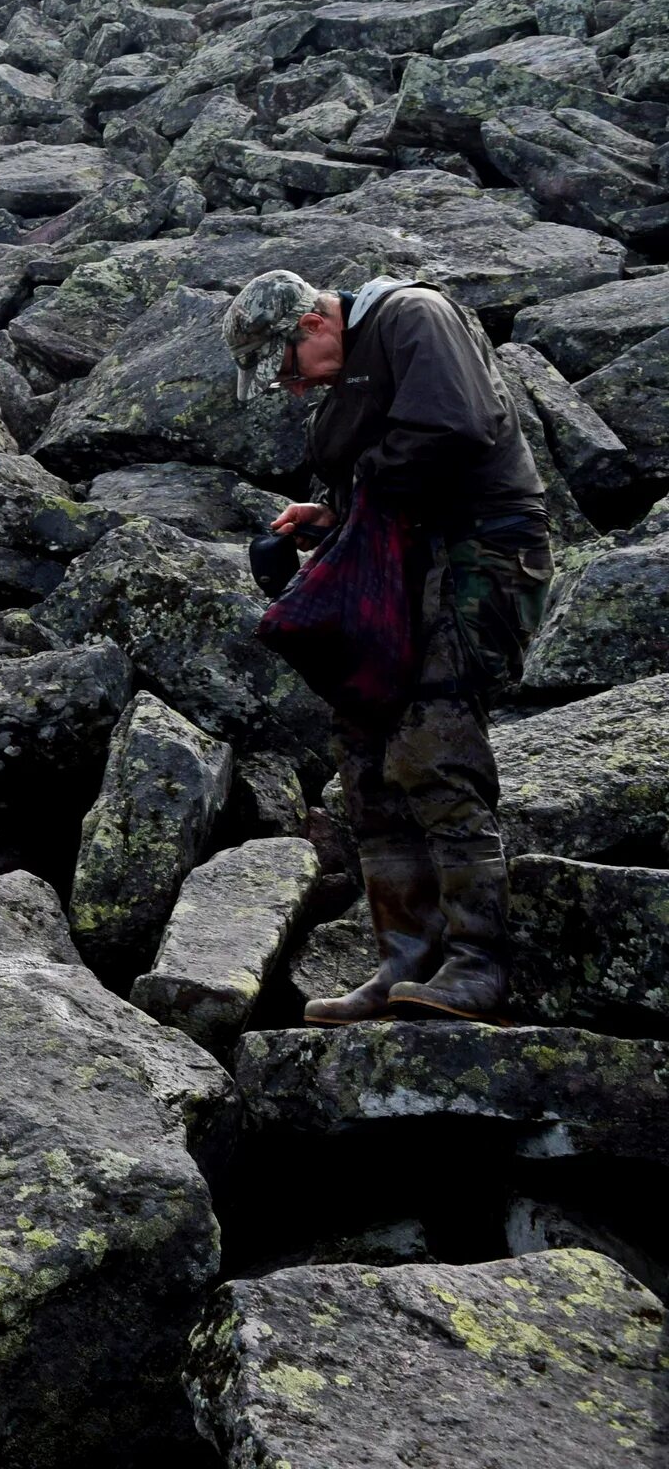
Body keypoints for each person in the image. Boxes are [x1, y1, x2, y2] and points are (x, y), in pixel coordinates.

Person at [223, 268, 553, 1026]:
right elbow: (382, 483)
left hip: (484, 554)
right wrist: (328, 518)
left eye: (286, 371)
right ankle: (404, 962)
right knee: (365, 750)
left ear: (311, 327)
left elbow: (453, 429)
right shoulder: (349, 371)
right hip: (407, 564)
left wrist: (362, 487)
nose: (294, 390)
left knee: (432, 739)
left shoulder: (414, 316)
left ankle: (479, 963)